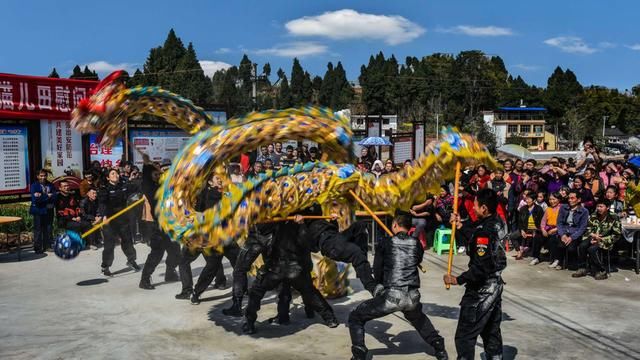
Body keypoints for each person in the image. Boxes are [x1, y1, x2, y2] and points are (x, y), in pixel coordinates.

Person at [348, 214, 448, 360]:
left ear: (394, 225)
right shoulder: (416, 243)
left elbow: (377, 268)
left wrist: (379, 287)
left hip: (392, 296)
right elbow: (417, 259)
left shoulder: (385, 242)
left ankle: (359, 353)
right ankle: (438, 346)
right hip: (412, 296)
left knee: (356, 316)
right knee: (418, 319)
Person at [242, 214, 339, 334]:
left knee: (309, 292)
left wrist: (303, 224)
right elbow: (262, 229)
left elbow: (312, 245)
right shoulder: (279, 216)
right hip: (277, 265)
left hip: (294, 266)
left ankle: (329, 317)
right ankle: (261, 320)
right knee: (262, 291)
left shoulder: (305, 218)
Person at [444, 189, 507, 360]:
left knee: (465, 336)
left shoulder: (484, 232)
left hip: (482, 290)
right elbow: (475, 232)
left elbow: (480, 268)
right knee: (491, 332)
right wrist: (460, 225)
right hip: (496, 287)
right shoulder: (498, 222)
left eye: (476, 206)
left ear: (485, 208)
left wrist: (457, 279)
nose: (473, 209)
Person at [138, 152, 181, 290]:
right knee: (157, 253)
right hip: (159, 227)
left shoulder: (169, 187)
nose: (158, 176)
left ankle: (170, 272)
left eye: (159, 174)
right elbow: (146, 180)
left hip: (171, 225)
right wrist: (146, 165)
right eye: (155, 175)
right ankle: (144, 279)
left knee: (175, 252)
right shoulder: (151, 189)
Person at [98, 168, 140, 276]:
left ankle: (131, 260)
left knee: (128, 242)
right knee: (109, 245)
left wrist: (134, 181)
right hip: (110, 220)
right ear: (108, 178)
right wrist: (104, 216)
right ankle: (105, 266)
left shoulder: (124, 185)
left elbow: (137, 188)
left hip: (122, 219)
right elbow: (102, 203)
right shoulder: (104, 189)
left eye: (116, 173)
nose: (115, 175)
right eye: (112, 173)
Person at [572, 200, 621, 280]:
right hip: (593, 237)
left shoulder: (614, 217)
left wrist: (601, 239)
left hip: (606, 240)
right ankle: (582, 268)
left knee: (592, 249)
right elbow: (587, 229)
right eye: (597, 206)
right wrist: (592, 236)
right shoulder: (593, 216)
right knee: (582, 246)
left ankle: (602, 271)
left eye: (601, 207)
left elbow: (617, 234)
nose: (599, 208)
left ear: (607, 207)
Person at [556, 190, 589, 270]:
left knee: (571, 248)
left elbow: (582, 228)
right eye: (569, 198)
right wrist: (562, 234)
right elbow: (559, 223)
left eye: (572, 198)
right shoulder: (563, 207)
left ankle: (573, 263)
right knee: (560, 245)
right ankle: (560, 262)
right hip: (564, 232)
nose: (570, 200)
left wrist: (572, 237)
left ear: (578, 200)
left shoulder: (584, 211)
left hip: (575, 233)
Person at [30, 169, 57, 253]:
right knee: (38, 229)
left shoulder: (51, 185)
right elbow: (36, 200)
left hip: (49, 210)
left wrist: (42, 196)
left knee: (48, 228)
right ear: (37, 176)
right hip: (38, 210)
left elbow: (55, 197)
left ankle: (47, 246)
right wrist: (47, 196)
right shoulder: (34, 186)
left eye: (45, 175)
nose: (43, 177)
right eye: (41, 176)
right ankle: (38, 248)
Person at [542, 192, 562, 269]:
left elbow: (563, 223)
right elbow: (543, 222)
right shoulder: (548, 209)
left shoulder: (562, 208)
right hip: (548, 229)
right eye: (550, 199)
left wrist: (555, 229)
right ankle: (536, 257)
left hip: (558, 229)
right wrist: (543, 229)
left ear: (559, 199)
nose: (551, 201)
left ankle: (556, 259)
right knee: (537, 236)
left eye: (554, 199)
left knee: (554, 238)